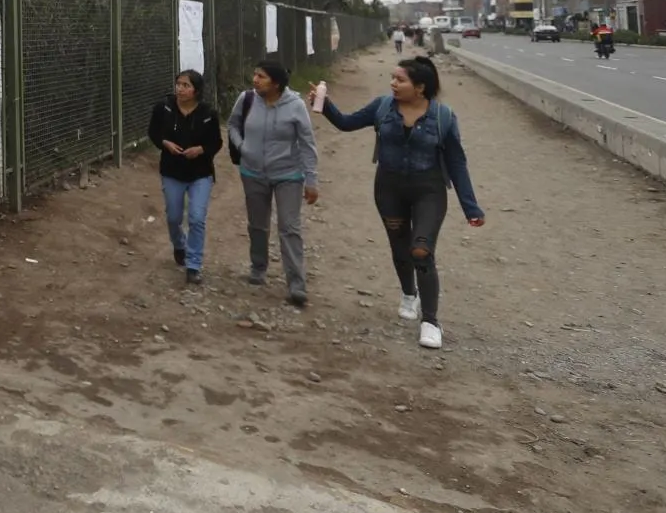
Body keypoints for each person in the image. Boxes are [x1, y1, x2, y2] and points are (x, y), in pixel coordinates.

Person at [309, 56, 485, 350]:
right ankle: (408, 293)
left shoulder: (443, 117)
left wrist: (471, 207)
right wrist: (324, 103)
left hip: (428, 191)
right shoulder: (382, 107)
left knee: (421, 250)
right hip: (389, 189)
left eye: (400, 80)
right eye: (393, 78)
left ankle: (430, 321)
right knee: (400, 247)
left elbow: (456, 162)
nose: (393, 83)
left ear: (420, 87)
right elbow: (346, 123)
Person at [228, 59, 320, 306]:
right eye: (255, 75)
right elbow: (233, 124)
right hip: (252, 173)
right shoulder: (247, 99)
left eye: (261, 76)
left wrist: (311, 179)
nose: (255, 80)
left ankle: (297, 284)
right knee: (257, 225)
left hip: (288, 174)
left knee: (289, 228)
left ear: (276, 83)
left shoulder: (296, 105)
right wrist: (242, 147)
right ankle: (258, 267)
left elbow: (307, 143)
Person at [148, 70, 224, 285]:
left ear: (196, 91)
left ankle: (193, 265)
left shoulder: (208, 113)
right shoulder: (163, 108)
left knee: (197, 218)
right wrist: (165, 143)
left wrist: (200, 150)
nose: (180, 89)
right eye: (178, 84)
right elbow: (153, 132)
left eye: (186, 85)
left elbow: (216, 142)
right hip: (172, 171)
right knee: (173, 217)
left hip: (200, 173)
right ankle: (179, 244)